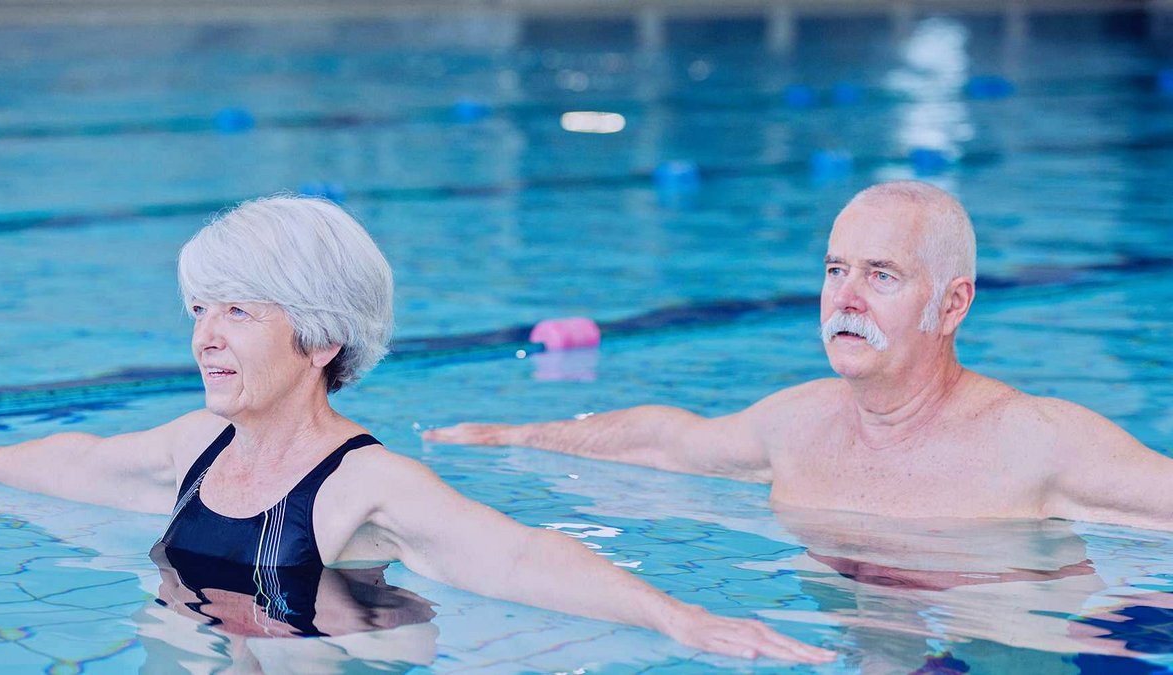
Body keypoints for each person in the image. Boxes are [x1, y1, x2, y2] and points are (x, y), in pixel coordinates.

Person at [0, 196, 834, 664]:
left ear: (319, 337)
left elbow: (519, 554)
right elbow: (74, 461)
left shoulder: (362, 483)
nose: (206, 334)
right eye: (201, 307)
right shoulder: (193, 444)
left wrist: (677, 617)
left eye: (237, 309)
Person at [425, 180, 1173, 531]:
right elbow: (665, 440)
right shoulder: (798, 424)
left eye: (881, 276)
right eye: (835, 269)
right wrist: (513, 437)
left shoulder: (1035, 440)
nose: (845, 297)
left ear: (951, 305)